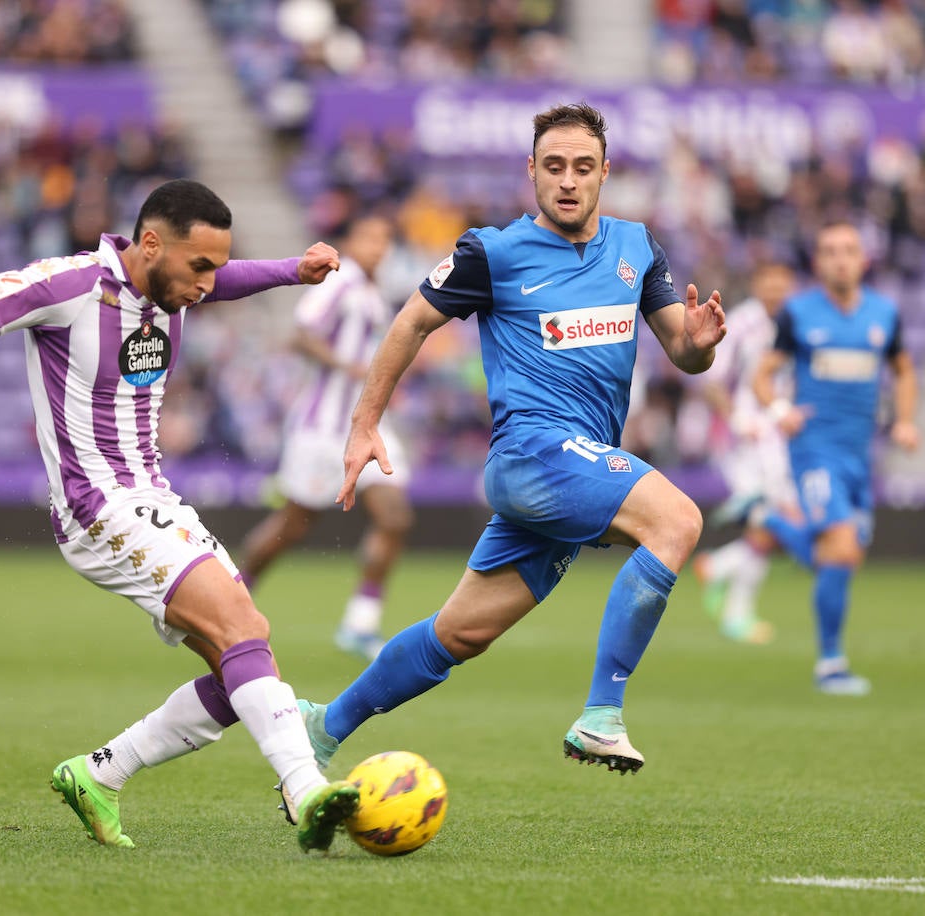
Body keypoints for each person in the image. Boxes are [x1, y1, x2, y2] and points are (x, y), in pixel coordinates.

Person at [0, 179, 362, 853]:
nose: (209, 284)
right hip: (95, 504)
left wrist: (289, 272)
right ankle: (306, 792)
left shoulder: (177, 281)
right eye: (200, 268)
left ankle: (100, 773)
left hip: (151, 496)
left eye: (216, 267)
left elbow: (229, 276)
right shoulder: (67, 286)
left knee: (242, 657)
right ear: (150, 244)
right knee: (240, 624)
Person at [292, 102, 727, 780]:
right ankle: (601, 716)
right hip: (531, 453)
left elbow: (682, 348)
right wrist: (364, 422)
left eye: (583, 167)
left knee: (459, 634)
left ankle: (322, 727)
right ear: (531, 172)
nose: (568, 181)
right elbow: (410, 324)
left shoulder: (636, 248)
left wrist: (698, 348)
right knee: (677, 520)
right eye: (553, 166)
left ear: (605, 174)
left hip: (573, 469)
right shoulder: (491, 253)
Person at [750, 222, 919, 695]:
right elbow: (762, 376)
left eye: (848, 251)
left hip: (859, 455)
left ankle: (777, 524)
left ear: (863, 259)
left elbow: (903, 371)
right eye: (829, 251)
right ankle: (831, 664)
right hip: (814, 451)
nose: (839, 259)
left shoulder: (884, 314)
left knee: (843, 556)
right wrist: (781, 410)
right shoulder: (798, 314)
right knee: (840, 547)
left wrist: (904, 421)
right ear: (818, 263)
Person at [239, 213, 413, 661]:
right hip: (322, 427)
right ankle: (231, 599)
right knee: (292, 526)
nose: (378, 247)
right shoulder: (341, 282)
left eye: (384, 239)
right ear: (352, 242)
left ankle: (360, 624)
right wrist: (350, 367)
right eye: (370, 236)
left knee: (394, 516)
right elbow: (301, 335)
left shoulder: (374, 293)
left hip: (366, 424)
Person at [692, 261, 799, 645]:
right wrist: (735, 419)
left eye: (781, 282)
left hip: (783, 438)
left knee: (778, 527)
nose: (775, 290)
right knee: (772, 522)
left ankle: (719, 566)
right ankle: (738, 615)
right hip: (749, 441)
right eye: (768, 282)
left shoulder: (797, 321)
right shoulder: (741, 322)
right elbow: (712, 380)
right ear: (757, 284)